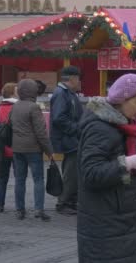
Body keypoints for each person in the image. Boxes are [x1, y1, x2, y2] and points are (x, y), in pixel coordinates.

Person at [77, 73, 136, 262]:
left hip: (122, 221)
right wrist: (129, 163)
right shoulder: (100, 128)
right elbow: (90, 173)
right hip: (106, 224)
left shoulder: (122, 125)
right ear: (122, 99)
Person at [11, 78, 53, 221]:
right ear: (33, 91)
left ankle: (19, 210)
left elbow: (10, 125)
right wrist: (49, 150)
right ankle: (38, 209)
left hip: (17, 148)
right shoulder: (34, 107)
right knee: (38, 179)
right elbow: (41, 132)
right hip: (33, 148)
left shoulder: (15, 106)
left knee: (19, 180)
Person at [50, 66, 83, 216]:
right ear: (72, 79)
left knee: (73, 171)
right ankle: (63, 202)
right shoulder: (61, 94)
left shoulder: (68, 94)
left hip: (71, 139)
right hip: (68, 140)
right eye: (78, 78)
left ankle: (71, 201)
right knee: (71, 173)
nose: (80, 82)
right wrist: (76, 129)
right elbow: (58, 118)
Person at [0, 82, 18, 213]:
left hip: (1, 148)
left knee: (2, 178)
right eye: (17, 90)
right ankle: (20, 205)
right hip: (16, 147)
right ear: (13, 93)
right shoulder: (18, 107)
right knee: (19, 178)